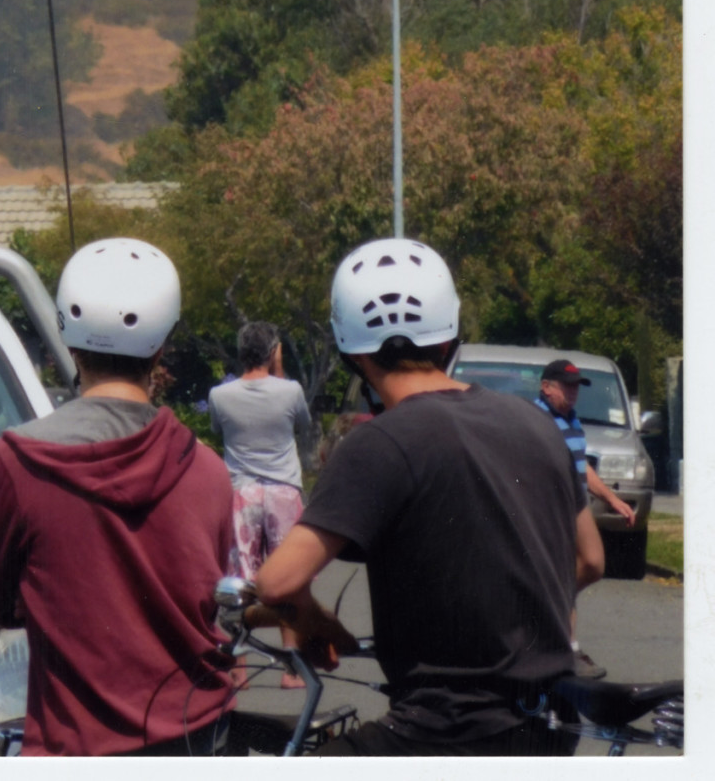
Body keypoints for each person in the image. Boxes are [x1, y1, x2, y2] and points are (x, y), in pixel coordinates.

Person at [250, 237, 605, 756]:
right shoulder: (536, 424)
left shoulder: (380, 441)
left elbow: (278, 583)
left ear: (350, 351)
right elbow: (591, 560)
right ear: (450, 335)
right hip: (550, 724)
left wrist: (318, 624)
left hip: (446, 729)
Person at [0, 238, 238, 756]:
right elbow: (209, 598)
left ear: (67, 340)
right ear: (163, 347)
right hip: (198, 734)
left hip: (75, 746)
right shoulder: (206, 469)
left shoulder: (15, 464)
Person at [208, 320, 311, 687]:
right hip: (283, 490)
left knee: (239, 579)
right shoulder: (292, 391)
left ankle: (239, 668)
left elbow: (219, 432)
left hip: (242, 491)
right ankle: (291, 668)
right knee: (288, 579)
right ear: (272, 352)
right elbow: (301, 425)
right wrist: (279, 369)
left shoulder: (220, 395)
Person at [536, 358, 636, 682]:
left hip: (576, 507)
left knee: (590, 565)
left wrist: (612, 498)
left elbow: (583, 468)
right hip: (550, 508)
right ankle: (569, 651)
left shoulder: (572, 421)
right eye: (567, 385)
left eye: (576, 386)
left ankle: (552, 629)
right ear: (546, 387)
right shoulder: (538, 420)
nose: (573, 392)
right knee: (567, 576)